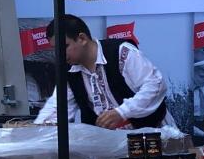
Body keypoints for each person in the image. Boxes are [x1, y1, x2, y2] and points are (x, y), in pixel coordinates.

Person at [35, 15, 173, 129]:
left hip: (154, 135)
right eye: (55, 49)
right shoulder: (70, 72)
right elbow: (57, 109)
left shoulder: (121, 52)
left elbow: (155, 85)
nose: (59, 54)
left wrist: (122, 112)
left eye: (64, 47)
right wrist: (35, 130)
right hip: (113, 145)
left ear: (82, 39)